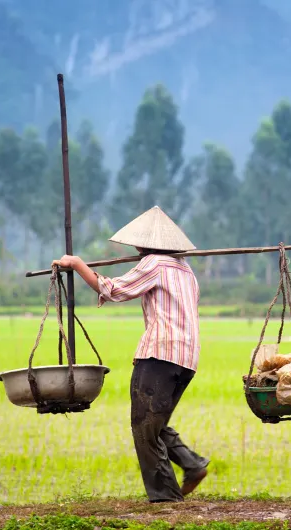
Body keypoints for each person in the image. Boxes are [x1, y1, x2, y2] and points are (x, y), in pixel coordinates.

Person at [53, 206, 210, 503]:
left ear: (145, 244)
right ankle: (191, 464)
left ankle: (165, 498)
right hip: (187, 359)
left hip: (160, 355)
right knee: (155, 422)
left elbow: (111, 289)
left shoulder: (153, 264)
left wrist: (76, 263)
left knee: (143, 426)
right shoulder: (185, 270)